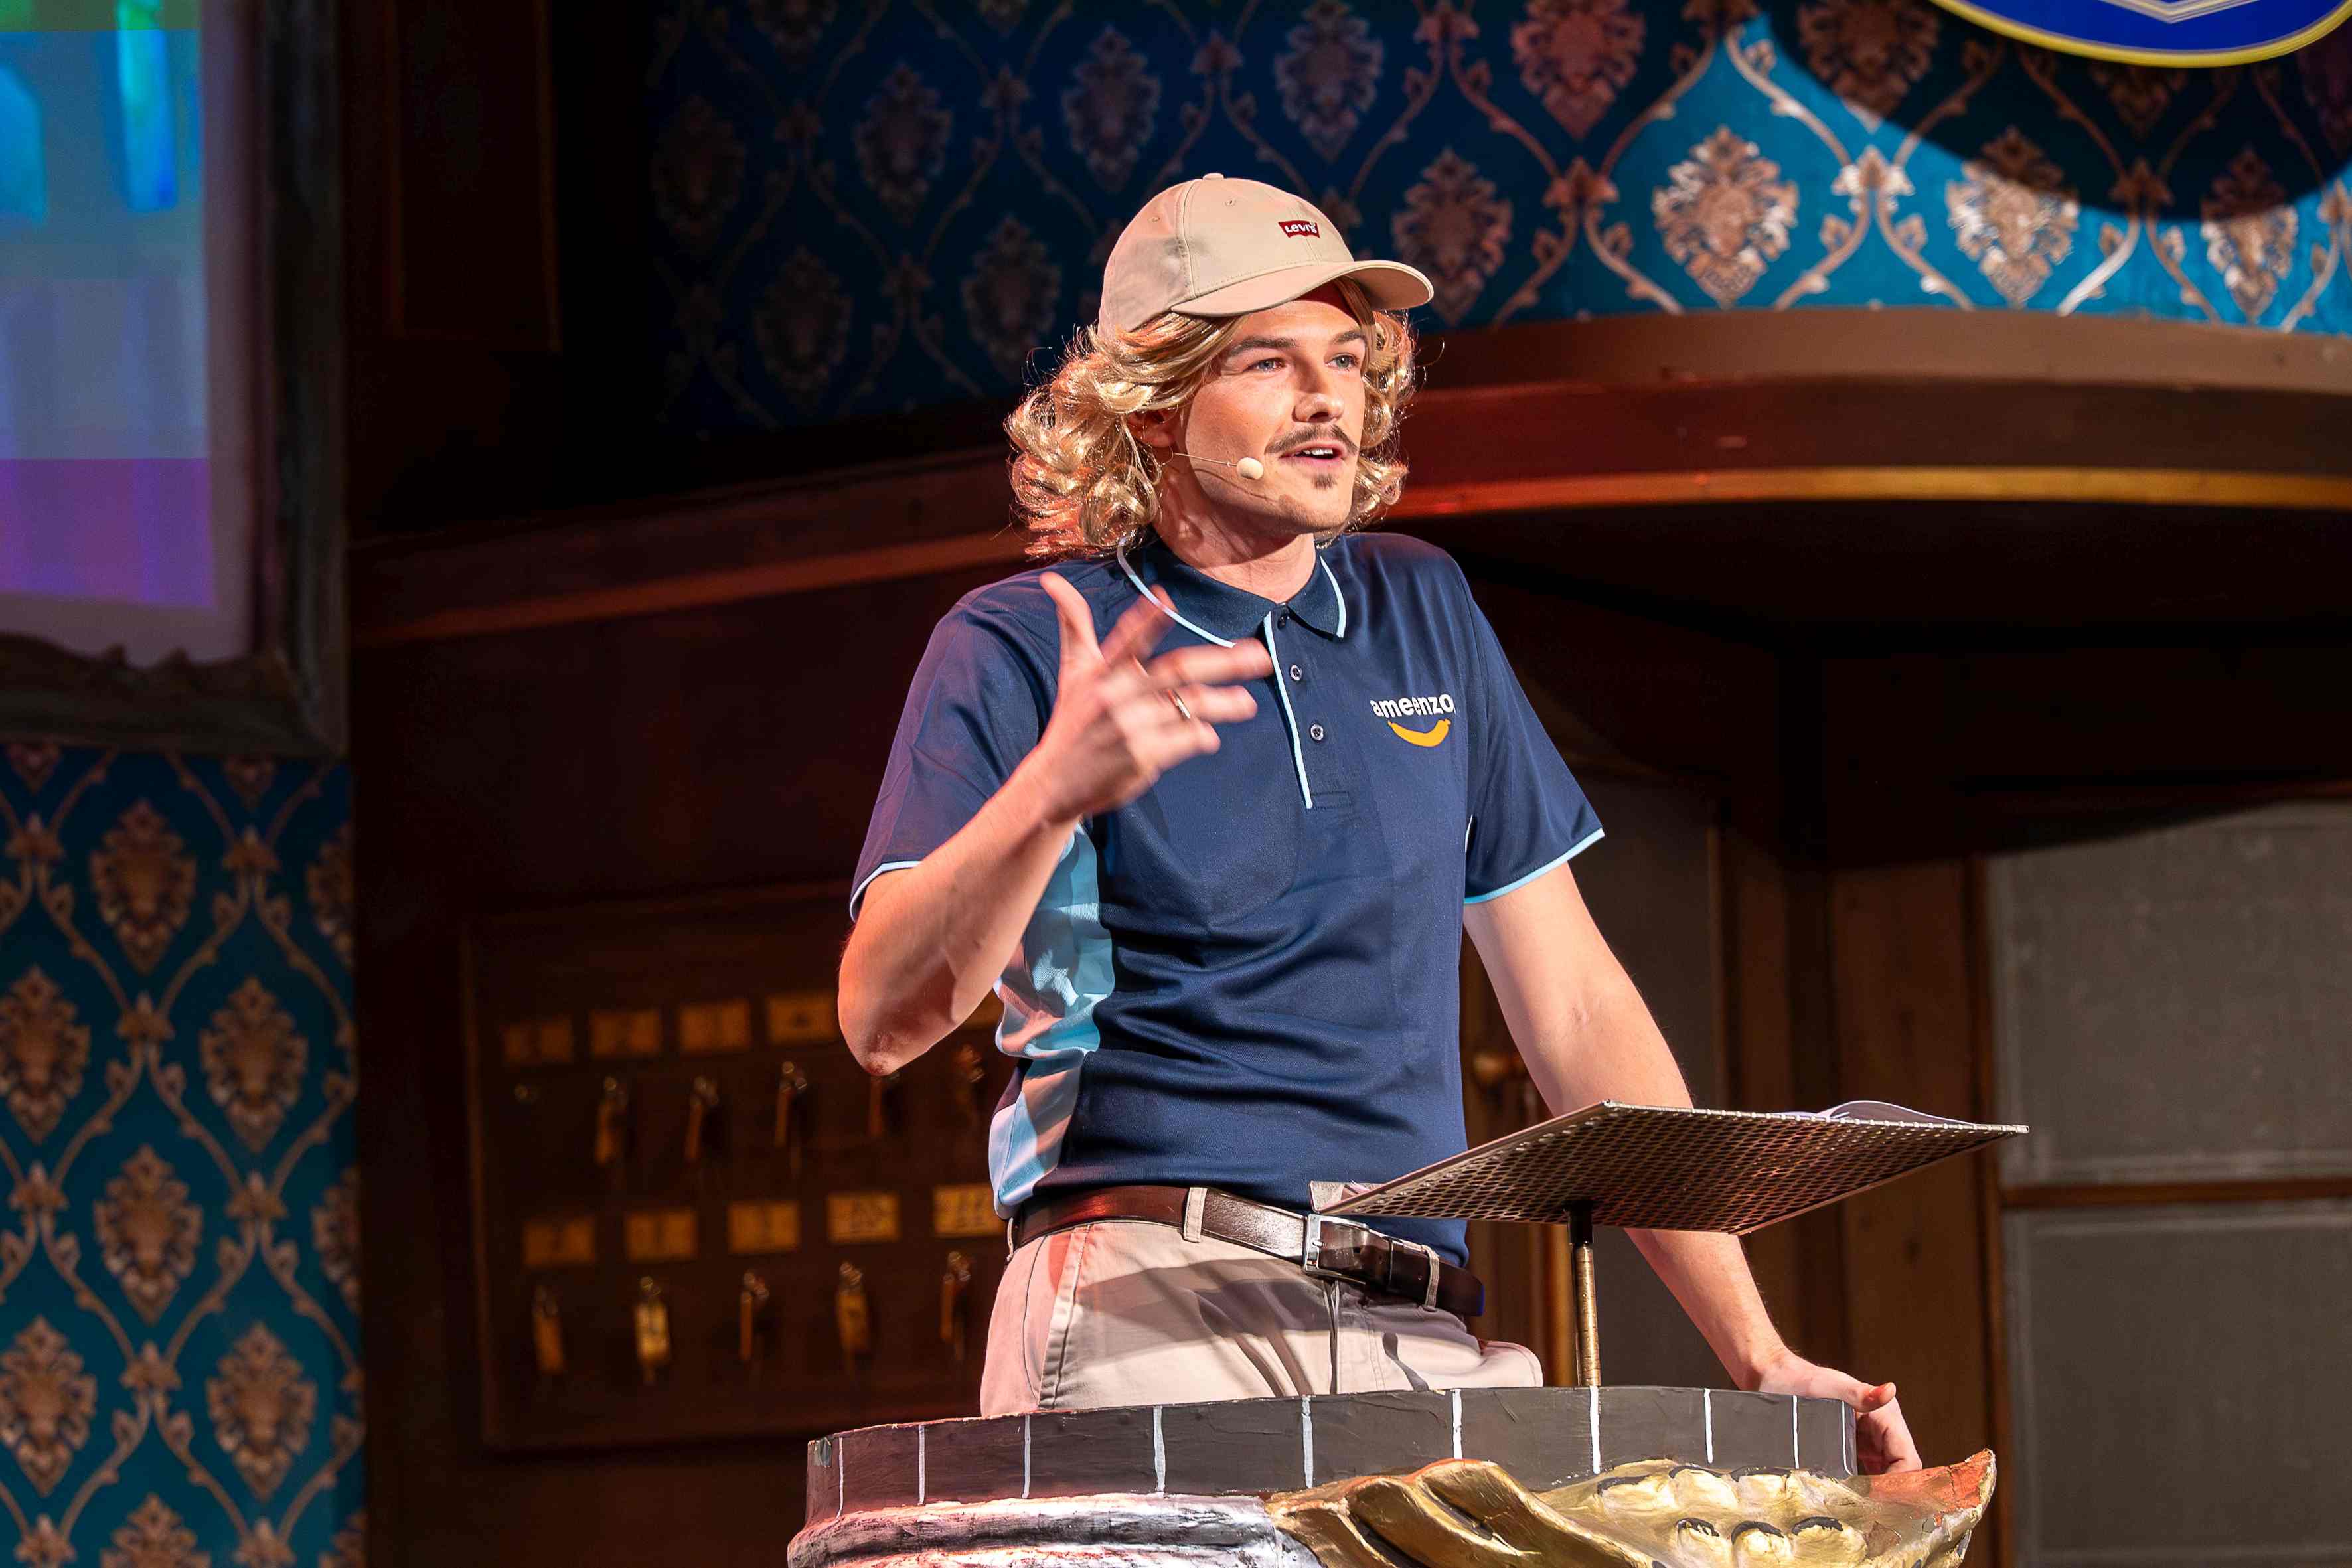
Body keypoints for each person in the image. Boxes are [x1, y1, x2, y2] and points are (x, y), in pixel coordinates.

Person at [839, 174, 1920, 1472]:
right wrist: (1046, 794)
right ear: (1157, 400)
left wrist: (1756, 1351)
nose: (1327, 400)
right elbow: (880, 1018)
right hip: (1154, 1297)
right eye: (1268, 361)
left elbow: (1575, 1006)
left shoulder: (1422, 606)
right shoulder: (1022, 641)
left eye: (1346, 360)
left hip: (1418, 1317)